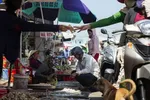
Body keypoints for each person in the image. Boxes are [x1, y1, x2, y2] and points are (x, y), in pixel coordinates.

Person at [0, 0, 73, 78]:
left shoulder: (10, 18)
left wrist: (57, 27)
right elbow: (35, 27)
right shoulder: (15, 21)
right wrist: (57, 27)